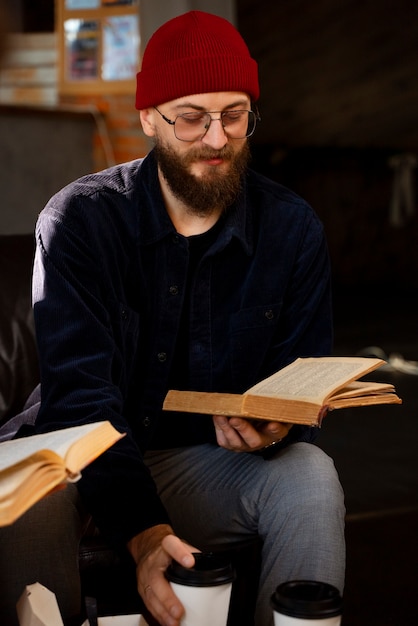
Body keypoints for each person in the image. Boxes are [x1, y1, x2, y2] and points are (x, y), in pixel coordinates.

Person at [0, 10, 345, 626]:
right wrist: (142, 532)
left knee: (309, 475)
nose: (216, 138)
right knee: (33, 494)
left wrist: (278, 430)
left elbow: (300, 386)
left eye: (234, 115)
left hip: (196, 465)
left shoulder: (293, 230)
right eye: (190, 117)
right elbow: (80, 402)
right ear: (147, 118)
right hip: (75, 459)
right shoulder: (79, 221)